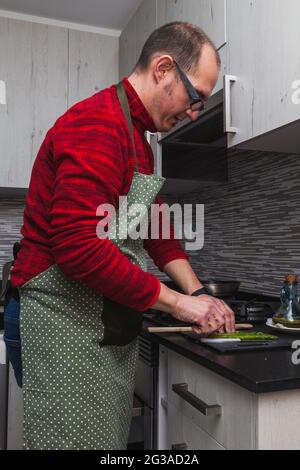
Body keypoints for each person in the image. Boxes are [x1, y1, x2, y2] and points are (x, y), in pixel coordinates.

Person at [10, 21, 235, 450]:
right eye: (196, 98)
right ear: (164, 69)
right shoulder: (97, 124)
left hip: (91, 321)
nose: (193, 113)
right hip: (60, 319)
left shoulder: (139, 141)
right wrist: (179, 304)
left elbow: (156, 229)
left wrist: (200, 292)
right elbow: (78, 248)